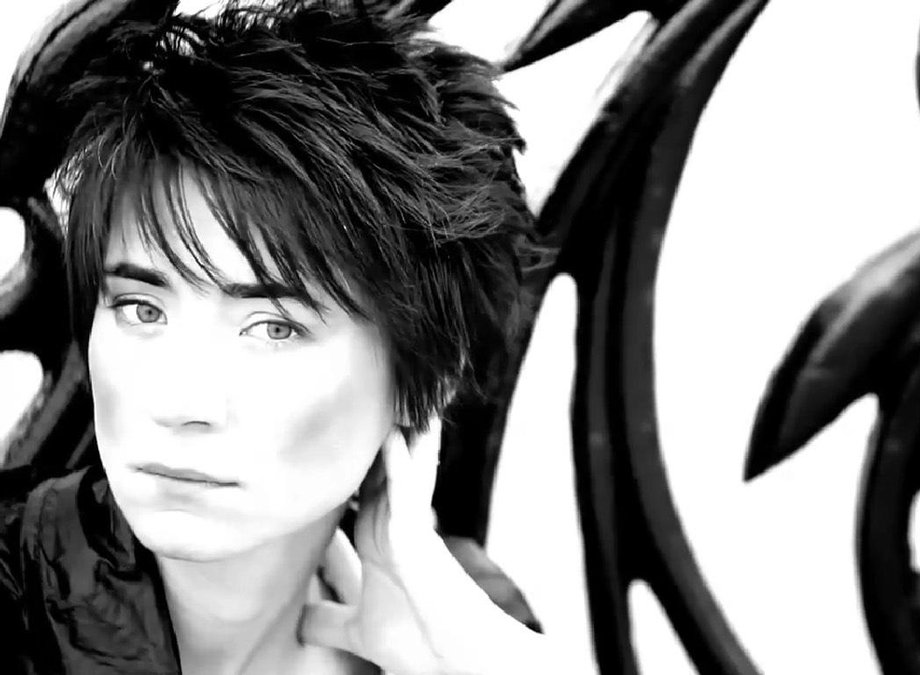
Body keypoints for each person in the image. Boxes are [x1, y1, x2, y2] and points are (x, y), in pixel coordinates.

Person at [0, 0, 558, 672]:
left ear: (429, 378)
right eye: (142, 309)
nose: (178, 403)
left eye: (274, 327)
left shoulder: (461, 620)